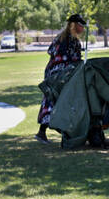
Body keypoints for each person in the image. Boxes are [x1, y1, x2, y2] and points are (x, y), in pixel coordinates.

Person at [36, 13, 87, 144]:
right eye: (81, 25)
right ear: (74, 25)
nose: (83, 28)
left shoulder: (61, 38)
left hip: (53, 73)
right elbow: (73, 59)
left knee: (52, 100)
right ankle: (63, 132)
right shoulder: (71, 40)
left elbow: (51, 52)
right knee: (62, 101)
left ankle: (44, 132)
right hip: (62, 75)